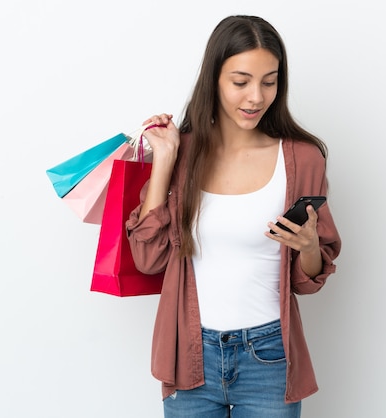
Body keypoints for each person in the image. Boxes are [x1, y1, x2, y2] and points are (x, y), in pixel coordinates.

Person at [126, 15, 342, 418]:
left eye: (269, 81)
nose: (256, 97)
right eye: (241, 82)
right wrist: (166, 159)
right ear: (214, 80)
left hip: (269, 358)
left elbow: (308, 281)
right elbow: (148, 259)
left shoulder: (301, 159)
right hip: (189, 358)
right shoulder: (183, 155)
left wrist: (310, 246)